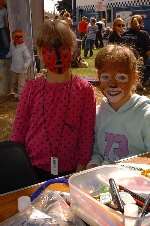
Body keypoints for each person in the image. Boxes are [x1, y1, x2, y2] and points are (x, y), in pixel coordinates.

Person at [11, 20, 96, 182]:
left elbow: (86, 130)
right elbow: (19, 129)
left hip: (71, 170)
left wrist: (81, 163)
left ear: (72, 50)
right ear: (41, 54)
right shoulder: (31, 88)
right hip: (32, 166)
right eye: (50, 50)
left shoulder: (84, 90)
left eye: (62, 49)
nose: (57, 56)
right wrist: (18, 162)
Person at [87, 44, 150, 169]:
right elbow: (98, 152)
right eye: (105, 77)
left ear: (135, 78)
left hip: (137, 183)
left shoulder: (145, 115)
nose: (112, 84)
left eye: (121, 77)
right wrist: (93, 164)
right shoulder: (99, 114)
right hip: (105, 181)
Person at [123, 15, 150, 85]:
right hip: (140, 60)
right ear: (141, 23)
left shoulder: (125, 33)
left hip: (127, 60)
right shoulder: (144, 34)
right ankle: (144, 81)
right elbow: (148, 51)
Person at [7, 29, 31, 98]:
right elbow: (11, 53)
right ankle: (13, 93)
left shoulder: (24, 48)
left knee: (21, 83)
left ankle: (21, 96)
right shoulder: (12, 45)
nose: (19, 38)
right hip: (14, 68)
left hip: (22, 69)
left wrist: (26, 65)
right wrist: (7, 55)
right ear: (13, 38)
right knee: (13, 81)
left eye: (21, 36)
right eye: (17, 37)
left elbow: (28, 58)